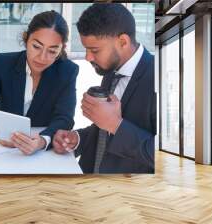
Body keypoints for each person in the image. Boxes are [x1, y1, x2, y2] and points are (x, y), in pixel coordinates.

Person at [52, 3, 156, 174]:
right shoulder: (111, 70)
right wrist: (76, 139)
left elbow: (159, 154)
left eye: (94, 50)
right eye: (86, 49)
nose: (87, 57)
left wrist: (115, 124)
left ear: (123, 42)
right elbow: (104, 132)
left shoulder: (158, 76)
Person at [0, 10, 79, 156]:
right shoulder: (3, 64)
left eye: (52, 51)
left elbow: (64, 118)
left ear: (61, 49)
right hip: (3, 151)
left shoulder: (68, 71)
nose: (42, 57)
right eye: (36, 47)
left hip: (44, 154)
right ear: (26, 39)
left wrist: (42, 141)